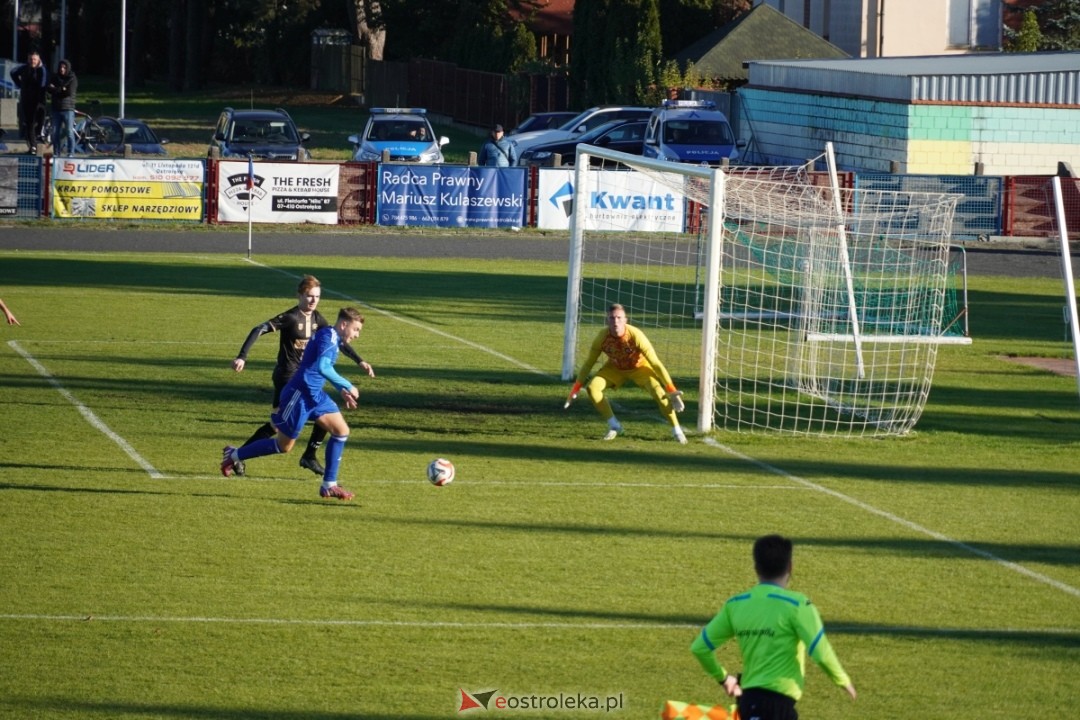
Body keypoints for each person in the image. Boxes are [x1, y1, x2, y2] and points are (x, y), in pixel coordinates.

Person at [691, 535, 857, 720]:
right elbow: (820, 652)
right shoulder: (797, 605)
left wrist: (723, 677)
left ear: (756, 568)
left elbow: (700, 648)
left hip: (747, 703)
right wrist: (843, 680)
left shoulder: (736, 604)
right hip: (777, 707)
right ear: (790, 566)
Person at [230, 275, 373, 478]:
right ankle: (239, 455)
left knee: (324, 414)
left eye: (317, 296)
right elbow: (259, 328)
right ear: (300, 296)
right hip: (288, 376)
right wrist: (242, 356)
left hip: (307, 379)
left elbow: (338, 340)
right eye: (309, 296)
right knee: (277, 426)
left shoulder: (317, 319)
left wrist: (359, 360)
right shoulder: (291, 317)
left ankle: (310, 455)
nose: (313, 300)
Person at [221, 307, 368, 501]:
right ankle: (234, 455)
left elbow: (320, 368)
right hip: (299, 395)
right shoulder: (328, 338)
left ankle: (329, 485)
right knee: (284, 446)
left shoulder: (331, 336)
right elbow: (324, 367)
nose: (357, 335)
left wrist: (341, 391)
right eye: (356, 329)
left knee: (341, 431)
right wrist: (348, 385)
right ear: (343, 324)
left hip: (315, 395)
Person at [565, 303, 688, 444]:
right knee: (592, 388)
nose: (615, 321)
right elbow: (588, 364)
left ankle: (677, 430)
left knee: (659, 393)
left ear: (625, 320)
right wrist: (576, 387)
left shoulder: (636, 335)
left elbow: (656, 363)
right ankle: (614, 426)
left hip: (640, 368)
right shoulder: (601, 338)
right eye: (612, 318)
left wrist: (671, 390)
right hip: (615, 368)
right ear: (607, 320)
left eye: (619, 318)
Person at [9, 51, 47, 155]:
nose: (32, 62)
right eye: (30, 59)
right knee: (29, 124)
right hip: (26, 100)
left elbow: (42, 84)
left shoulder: (41, 70)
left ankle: (40, 136)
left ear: (38, 59)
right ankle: (33, 146)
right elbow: (13, 72)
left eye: (34, 59)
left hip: (38, 101)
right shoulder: (25, 68)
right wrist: (20, 84)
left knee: (39, 122)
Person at [47, 59, 78, 157]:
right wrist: (61, 89)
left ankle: (71, 152)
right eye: (60, 67)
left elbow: (68, 93)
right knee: (55, 132)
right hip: (56, 108)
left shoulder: (72, 78)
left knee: (69, 131)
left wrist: (56, 89)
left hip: (68, 108)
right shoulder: (54, 77)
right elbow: (49, 89)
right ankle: (56, 152)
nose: (62, 69)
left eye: (64, 67)